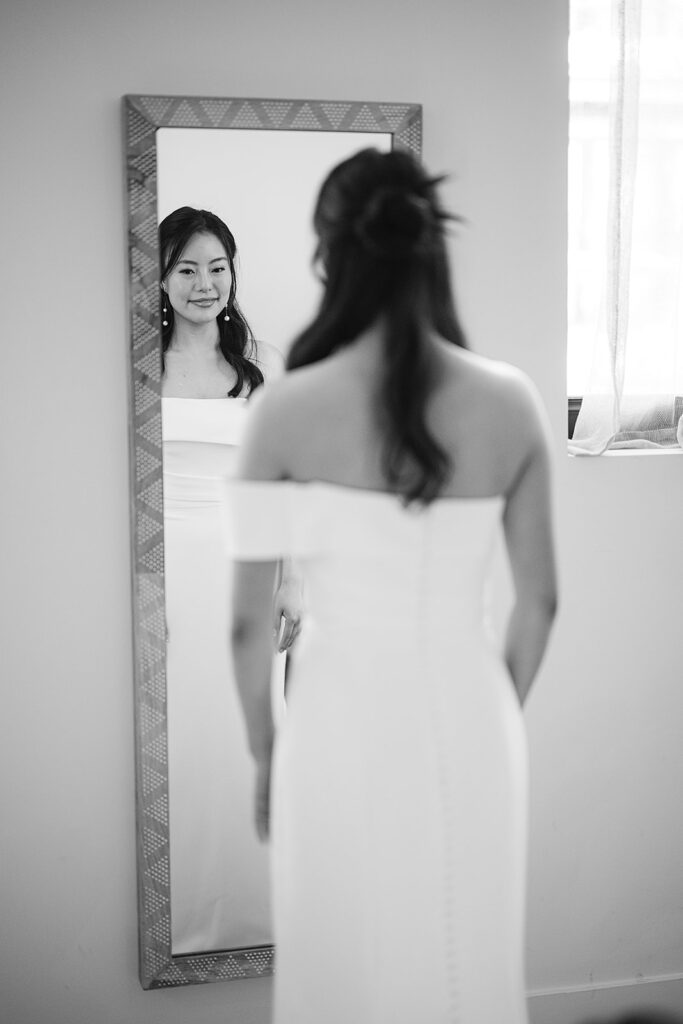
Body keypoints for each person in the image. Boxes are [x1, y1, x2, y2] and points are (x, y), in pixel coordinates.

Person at [228, 150, 558, 1023]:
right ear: (430, 250)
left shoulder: (285, 409)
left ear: (330, 256)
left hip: (333, 725)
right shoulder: (510, 401)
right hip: (469, 721)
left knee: (338, 960)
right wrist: (491, 715)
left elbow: (244, 626)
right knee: (461, 958)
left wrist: (266, 750)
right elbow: (540, 601)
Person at [159, 207, 301, 953]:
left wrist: (295, 582)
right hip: (165, 570)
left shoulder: (264, 364)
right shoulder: (136, 364)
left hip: (248, 570)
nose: (204, 283)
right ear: (159, 277)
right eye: (186, 268)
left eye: (217, 267)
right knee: (179, 737)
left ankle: (257, 920)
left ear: (233, 273)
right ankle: (178, 919)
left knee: (249, 733)